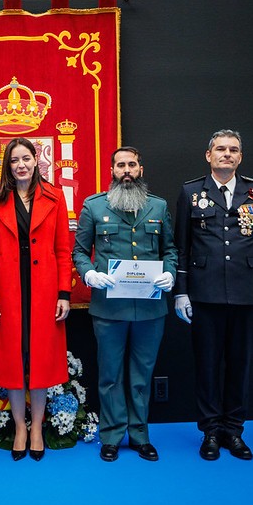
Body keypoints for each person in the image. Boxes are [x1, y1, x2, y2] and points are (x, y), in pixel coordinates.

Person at [174, 129, 253, 461]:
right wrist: (181, 293)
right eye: (220, 149)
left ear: (240, 157)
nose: (227, 154)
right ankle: (209, 432)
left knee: (239, 365)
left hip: (247, 293)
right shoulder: (191, 192)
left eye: (233, 150)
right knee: (207, 367)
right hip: (204, 294)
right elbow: (181, 246)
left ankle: (233, 431)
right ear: (208, 155)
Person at [73, 146, 177, 462]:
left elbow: (170, 250)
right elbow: (78, 252)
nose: (127, 170)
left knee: (142, 373)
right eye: (121, 165)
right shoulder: (94, 206)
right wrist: (89, 273)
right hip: (109, 307)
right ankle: (112, 435)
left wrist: (170, 274)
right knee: (110, 375)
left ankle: (140, 435)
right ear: (112, 171)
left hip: (149, 307)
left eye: (132, 164)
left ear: (140, 169)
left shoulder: (157, 208)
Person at [0, 137, 71, 461]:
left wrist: (64, 293)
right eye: (14, 160)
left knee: (41, 359)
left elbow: (63, 250)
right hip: (7, 290)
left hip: (45, 290)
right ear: (7, 165)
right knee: (13, 360)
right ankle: (20, 426)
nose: (21, 164)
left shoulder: (55, 197)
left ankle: (37, 426)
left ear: (37, 160)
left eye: (26, 158)